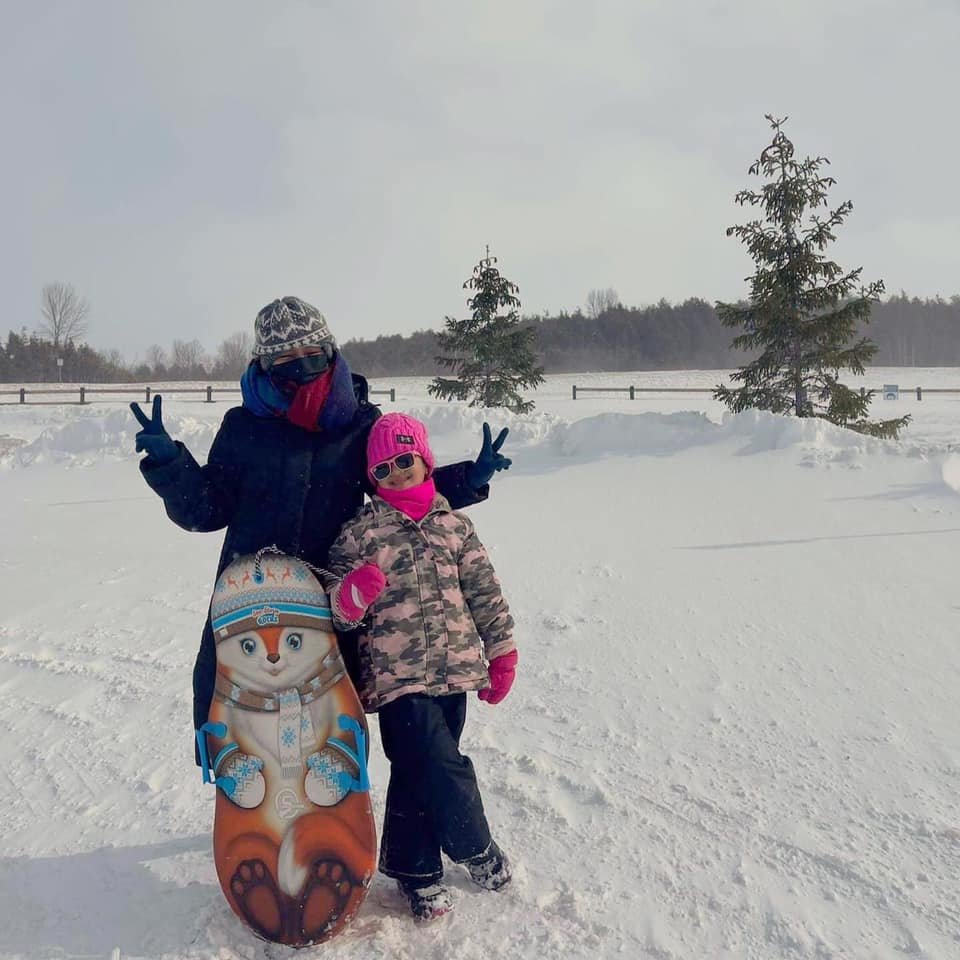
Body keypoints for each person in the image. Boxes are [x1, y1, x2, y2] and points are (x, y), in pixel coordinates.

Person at [129, 296, 511, 757]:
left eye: (312, 354)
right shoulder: (243, 426)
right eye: (286, 360)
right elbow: (206, 509)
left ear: (330, 352)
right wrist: (171, 463)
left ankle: (332, 804)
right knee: (240, 701)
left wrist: (466, 479)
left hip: (332, 592)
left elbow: (398, 484)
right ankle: (247, 800)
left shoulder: (357, 423)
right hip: (252, 588)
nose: (302, 368)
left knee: (328, 711)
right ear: (265, 364)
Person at [326, 412, 518, 922]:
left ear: (424, 459)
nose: (395, 473)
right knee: (439, 764)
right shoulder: (359, 535)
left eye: (404, 460)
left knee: (420, 771)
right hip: (396, 679)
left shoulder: (455, 525)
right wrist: (352, 593)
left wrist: (502, 652)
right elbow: (337, 611)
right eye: (383, 468)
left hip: (455, 671)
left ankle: (416, 874)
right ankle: (476, 846)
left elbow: (484, 592)